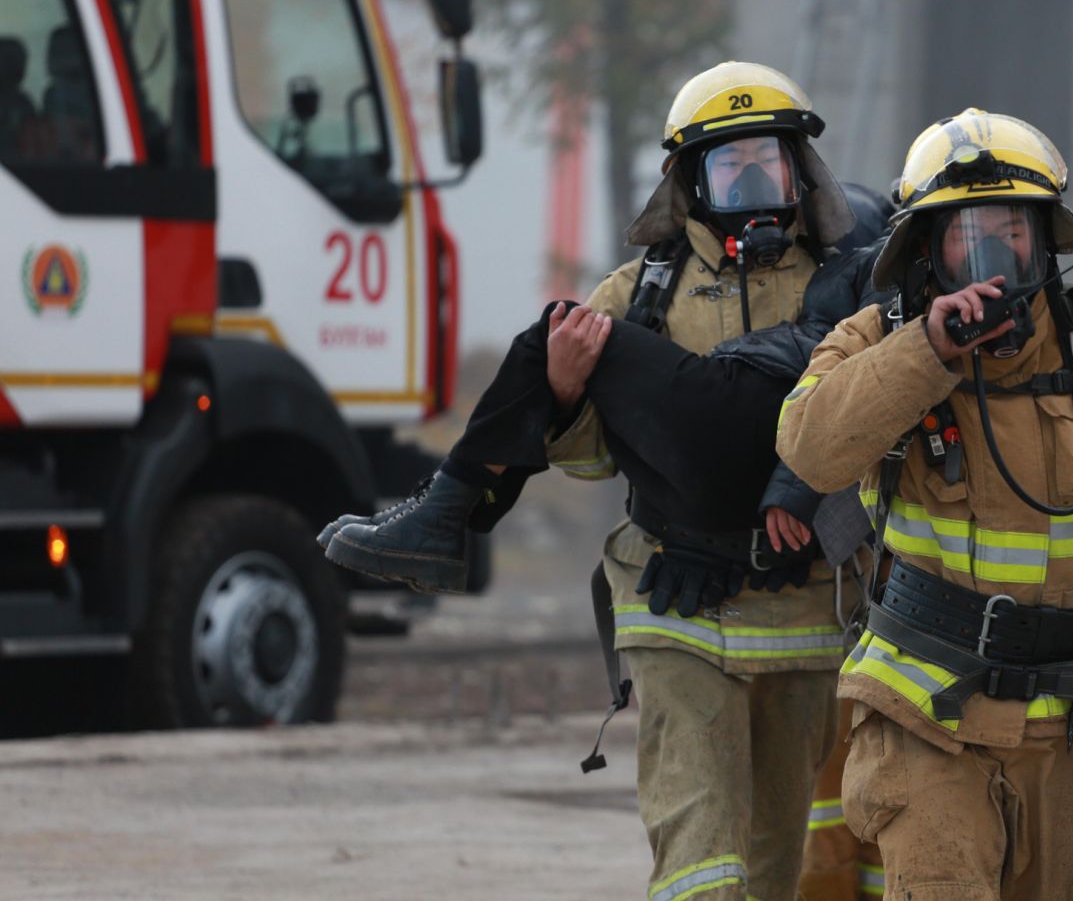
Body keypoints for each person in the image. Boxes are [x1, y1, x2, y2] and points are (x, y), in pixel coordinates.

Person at [324, 62, 878, 901]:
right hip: (677, 606)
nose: (753, 187)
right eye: (730, 170)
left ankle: (446, 513)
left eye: (768, 163)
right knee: (699, 854)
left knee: (776, 866)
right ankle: (446, 512)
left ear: (804, 173)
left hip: (800, 606)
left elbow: (873, 426)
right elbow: (589, 462)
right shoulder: (641, 295)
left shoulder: (851, 283)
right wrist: (566, 391)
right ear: (690, 183)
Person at [775, 109, 1073, 900]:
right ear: (926, 248)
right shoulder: (878, 340)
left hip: (1072, 727)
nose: (991, 253)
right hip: (924, 721)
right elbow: (809, 448)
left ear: (1045, 239)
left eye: (1010, 228)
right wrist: (926, 355)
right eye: (964, 234)